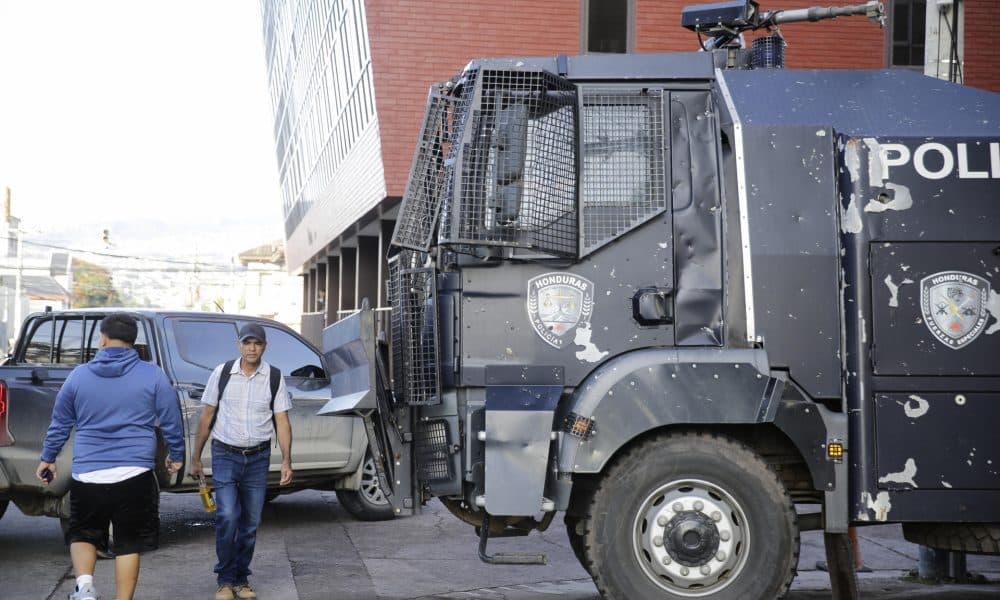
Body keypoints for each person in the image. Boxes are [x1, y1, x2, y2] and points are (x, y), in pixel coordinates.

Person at [36, 313, 185, 600]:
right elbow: (171, 420)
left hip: (88, 472)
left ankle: (85, 587)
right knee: (129, 543)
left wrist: (48, 458)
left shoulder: (79, 375)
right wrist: (175, 455)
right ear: (133, 341)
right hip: (135, 474)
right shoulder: (152, 374)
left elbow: (60, 423)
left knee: (83, 533)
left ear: (102, 339)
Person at [191, 323, 293, 600]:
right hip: (225, 454)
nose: (252, 348)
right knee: (228, 515)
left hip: (258, 458)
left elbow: (282, 420)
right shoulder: (222, 373)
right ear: (239, 345)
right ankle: (224, 580)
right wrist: (196, 457)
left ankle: (241, 579)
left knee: (250, 522)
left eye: (257, 343)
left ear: (264, 346)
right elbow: (207, 417)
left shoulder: (273, 376)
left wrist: (286, 460)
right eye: (247, 343)